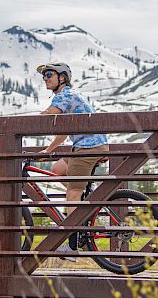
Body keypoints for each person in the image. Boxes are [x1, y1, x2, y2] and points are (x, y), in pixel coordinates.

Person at [37, 62, 109, 255]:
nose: (45, 78)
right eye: (44, 75)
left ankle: (72, 246)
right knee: (57, 170)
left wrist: (26, 121)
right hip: (84, 146)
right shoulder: (68, 97)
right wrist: (48, 150)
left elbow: (49, 115)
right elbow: (64, 130)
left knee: (72, 195)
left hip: (88, 148)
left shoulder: (66, 95)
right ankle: (82, 207)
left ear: (62, 78)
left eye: (49, 74)